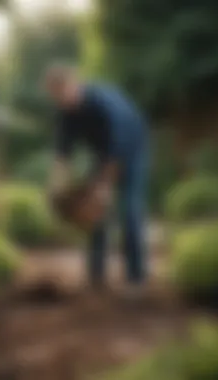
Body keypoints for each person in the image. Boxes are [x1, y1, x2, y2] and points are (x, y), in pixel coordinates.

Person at [44, 63, 149, 299]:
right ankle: (96, 276)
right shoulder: (65, 113)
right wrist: (56, 186)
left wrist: (104, 187)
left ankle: (136, 279)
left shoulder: (105, 104)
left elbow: (117, 150)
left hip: (132, 151)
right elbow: (62, 155)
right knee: (94, 211)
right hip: (103, 155)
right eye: (55, 96)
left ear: (74, 84)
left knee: (129, 211)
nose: (60, 100)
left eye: (62, 93)